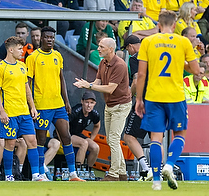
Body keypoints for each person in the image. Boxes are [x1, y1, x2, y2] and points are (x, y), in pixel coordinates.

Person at [135, 10, 200, 190]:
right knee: (179, 134)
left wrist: (139, 99)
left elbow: (141, 74)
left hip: (154, 96)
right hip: (176, 96)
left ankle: (156, 181)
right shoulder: (183, 42)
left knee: (156, 138)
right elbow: (195, 70)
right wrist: (185, 60)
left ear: (158, 25)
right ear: (174, 25)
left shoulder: (148, 41)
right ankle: (170, 164)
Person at [26, 26, 85, 181]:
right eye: (47, 37)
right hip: (42, 105)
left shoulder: (58, 56)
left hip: (58, 104)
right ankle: (39, 174)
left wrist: (66, 101)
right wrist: (31, 105)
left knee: (66, 136)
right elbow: (28, 83)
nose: (50, 40)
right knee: (40, 139)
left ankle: (73, 174)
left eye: (52, 37)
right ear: (41, 39)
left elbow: (61, 79)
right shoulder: (33, 57)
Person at [74, 37, 132, 181]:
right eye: (99, 46)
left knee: (113, 139)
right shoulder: (102, 62)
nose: (98, 48)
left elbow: (110, 88)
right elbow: (98, 82)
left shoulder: (120, 65)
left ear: (111, 49)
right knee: (113, 139)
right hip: (110, 105)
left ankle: (113, 174)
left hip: (121, 105)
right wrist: (87, 84)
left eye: (101, 47)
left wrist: (89, 86)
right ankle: (122, 173)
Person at [0, 36, 43, 181]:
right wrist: (1, 111)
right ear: (11, 49)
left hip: (24, 112)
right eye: (20, 49)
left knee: (32, 141)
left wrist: (32, 107)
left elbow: (26, 88)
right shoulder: (0, 68)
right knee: (10, 143)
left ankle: (35, 175)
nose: (22, 51)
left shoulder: (22, 66)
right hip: (10, 113)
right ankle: (8, 175)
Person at [120, 35, 152, 180]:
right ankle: (159, 170)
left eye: (127, 48)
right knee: (156, 138)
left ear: (131, 46)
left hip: (144, 101)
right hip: (159, 102)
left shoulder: (135, 58)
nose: (129, 52)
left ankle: (146, 170)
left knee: (128, 136)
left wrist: (130, 94)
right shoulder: (152, 55)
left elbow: (137, 78)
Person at [53, 91, 100, 172]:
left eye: (91, 103)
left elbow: (97, 125)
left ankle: (88, 171)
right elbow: (60, 125)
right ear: (82, 102)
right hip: (65, 134)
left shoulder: (94, 114)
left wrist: (91, 139)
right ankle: (78, 171)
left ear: (95, 103)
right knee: (84, 143)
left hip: (77, 134)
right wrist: (62, 140)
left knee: (95, 147)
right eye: (87, 102)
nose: (89, 105)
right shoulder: (75, 111)